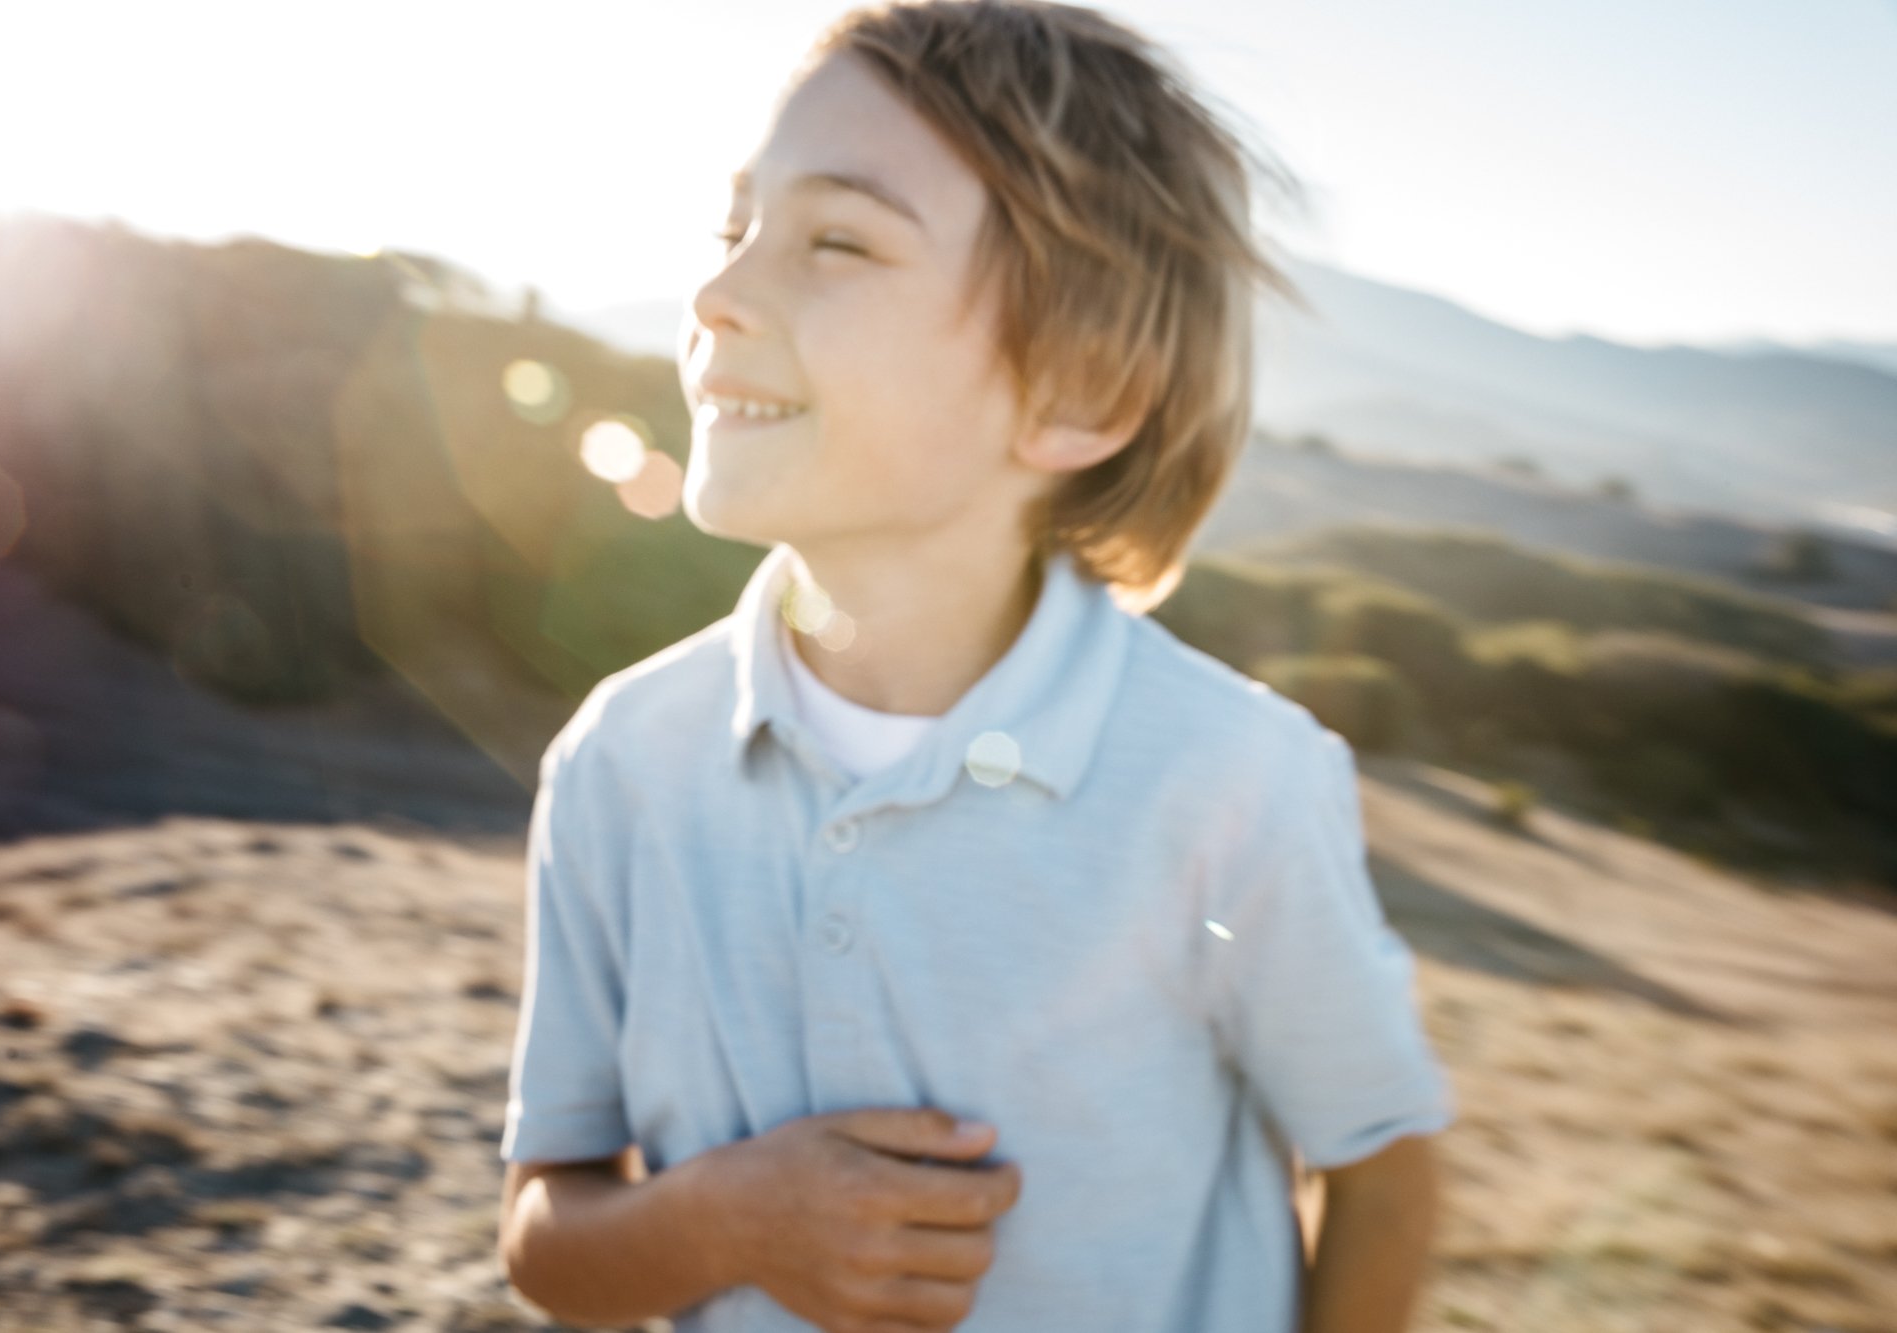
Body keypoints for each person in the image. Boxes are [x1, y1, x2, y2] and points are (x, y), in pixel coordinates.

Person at [497, 2, 1456, 1330]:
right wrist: (729, 1217)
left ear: (1079, 388)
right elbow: (548, 1237)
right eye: (733, 232)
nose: (717, 296)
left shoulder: (1235, 778)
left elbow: (1383, 1175)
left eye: (836, 240)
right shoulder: (620, 761)